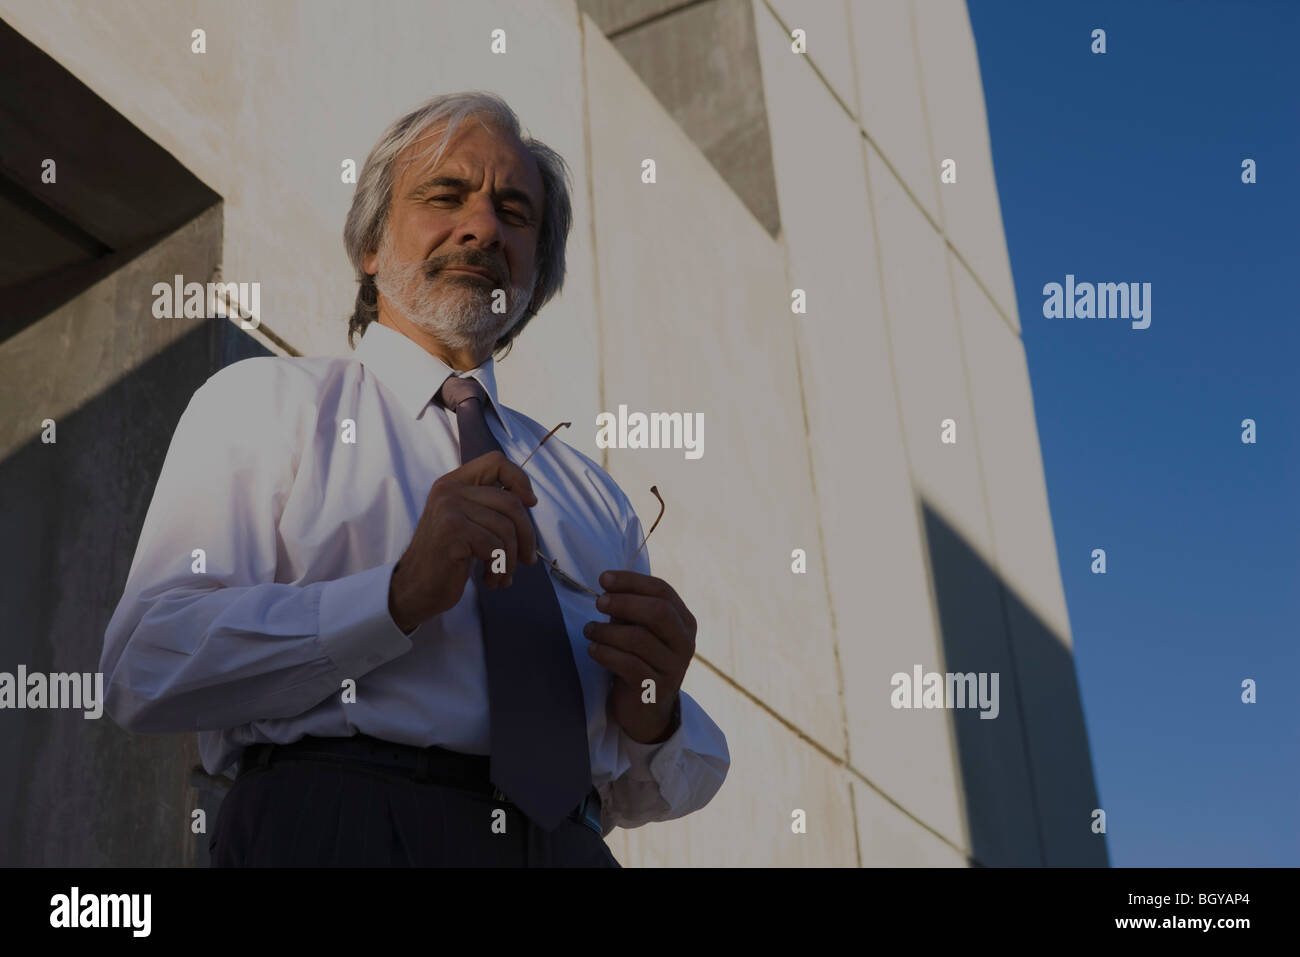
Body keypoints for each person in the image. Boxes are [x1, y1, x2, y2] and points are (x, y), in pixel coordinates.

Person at [100, 90, 730, 867]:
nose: (484, 227)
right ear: (371, 246)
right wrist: (393, 597)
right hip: (339, 829)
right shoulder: (269, 404)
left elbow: (638, 792)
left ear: (539, 269)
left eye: (514, 211)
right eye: (446, 195)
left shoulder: (596, 499)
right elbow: (147, 667)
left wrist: (654, 711)